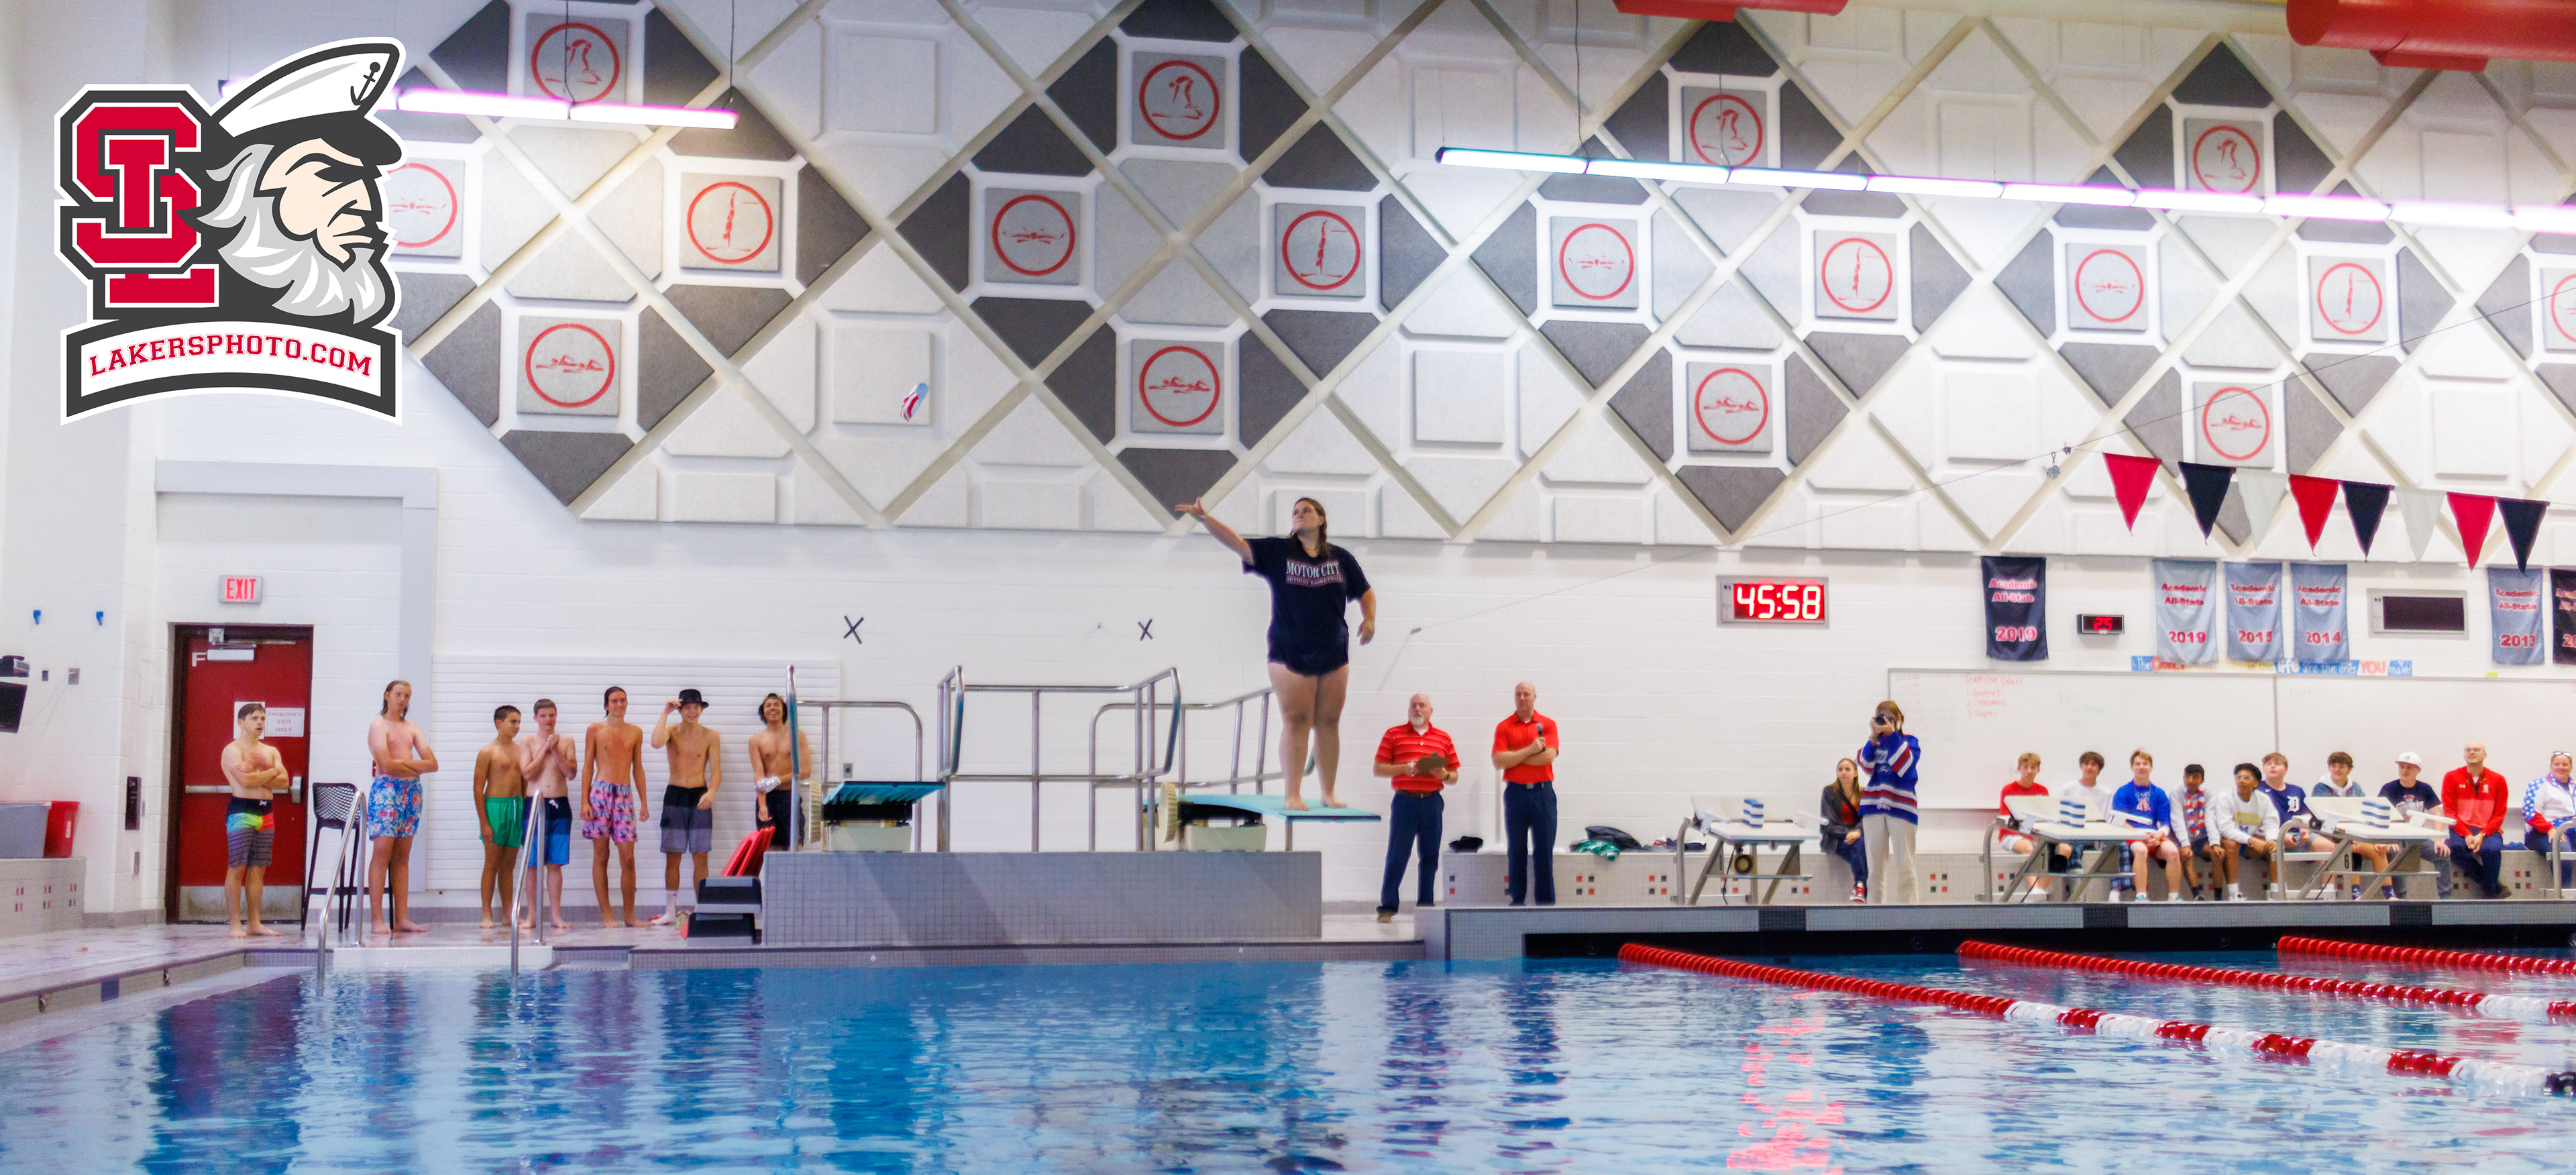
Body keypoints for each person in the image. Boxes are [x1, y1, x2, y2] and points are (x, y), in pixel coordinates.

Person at [1176, 496, 1376, 810]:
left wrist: (1370, 618)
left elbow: (1365, 591)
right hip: (1289, 649)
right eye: (1295, 512)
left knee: (1329, 722)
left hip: (1333, 650)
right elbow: (1239, 544)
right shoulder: (1279, 552)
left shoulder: (1340, 558)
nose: (1299, 514)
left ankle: (1328, 792)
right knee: (1297, 720)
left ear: (1321, 519)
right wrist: (1205, 519)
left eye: (1306, 510)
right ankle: (1292, 794)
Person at [1373, 693, 1459, 923]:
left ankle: (1426, 906)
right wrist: (1404, 769)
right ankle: (1388, 908)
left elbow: (1454, 776)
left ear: (1431, 711)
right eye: (1414, 705)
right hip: (1405, 801)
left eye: (1422, 706)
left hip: (1432, 802)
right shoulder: (1393, 734)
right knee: (1397, 855)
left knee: (1430, 856)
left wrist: (1445, 774)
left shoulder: (1443, 738)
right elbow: (1379, 768)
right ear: (1408, 709)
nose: (1417, 709)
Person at [365, 680, 438, 935]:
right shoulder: (379, 726)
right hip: (387, 791)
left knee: (402, 857)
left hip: (411, 793)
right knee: (382, 853)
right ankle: (377, 919)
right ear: (387, 695)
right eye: (398, 694)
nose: (403, 699)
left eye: (407, 696)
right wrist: (414, 767)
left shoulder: (412, 728)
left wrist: (404, 766)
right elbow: (386, 765)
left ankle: (402, 918)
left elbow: (433, 764)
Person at [649, 689, 722, 928]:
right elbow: (655, 743)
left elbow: (717, 770)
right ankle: (670, 911)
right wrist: (665, 712)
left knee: (701, 854)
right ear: (680, 710)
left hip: (699, 795)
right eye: (687, 707)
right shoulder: (671, 732)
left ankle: (702, 909)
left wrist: (712, 792)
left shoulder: (711, 736)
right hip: (676, 794)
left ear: (702, 709)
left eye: (696, 707)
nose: (692, 712)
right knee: (673, 855)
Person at [218, 702, 290, 938]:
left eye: (263, 718)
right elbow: (245, 782)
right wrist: (271, 772)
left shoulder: (271, 751)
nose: (260, 723)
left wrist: (259, 771)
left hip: (265, 812)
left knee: (258, 869)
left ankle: (255, 923)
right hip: (242, 811)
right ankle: (235, 924)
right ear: (241, 722)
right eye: (254, 718)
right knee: (237, 867)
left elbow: (285, 782)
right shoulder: (232, 750)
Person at [582, 686, 650, 928]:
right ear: (606, 705)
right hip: (600, 794)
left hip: (624, 795)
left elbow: (638, 767)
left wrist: (644, 801)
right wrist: (584, 801)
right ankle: (607, 915)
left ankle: (629, 915)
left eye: (623, 700)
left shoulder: (635, 732)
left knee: (628, 858)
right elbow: (588, 766)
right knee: (601, 856)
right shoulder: (595, 730)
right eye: (614, 701)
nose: (619, 705)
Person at [1493, 681, 1559, 907]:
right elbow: (1498, 761)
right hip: (1516, 795)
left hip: (1543, 794)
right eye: (1518, 694)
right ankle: (1517, 901)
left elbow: (1548, 757)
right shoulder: (1504, 727)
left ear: (1534, 697)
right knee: (1516, 849)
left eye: (1526, 694)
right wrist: (1531, 750)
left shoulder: (1547, 725)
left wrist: (1515, 758)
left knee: (1544, 850)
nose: (1522, 698)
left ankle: (1545, 903)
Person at [518, 699, 577, 932]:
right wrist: (545, 748)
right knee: (533, 864)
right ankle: (532, 916)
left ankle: (555, 916)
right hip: (535, 804)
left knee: (555, 864)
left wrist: (555, 750)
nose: (548, 720)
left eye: (552, 715)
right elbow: (528, 774)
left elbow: (571, 773)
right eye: (543, 716)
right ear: (535, 718)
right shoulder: (527, 742)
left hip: (559, 804)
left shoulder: (567, 741)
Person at [472, 706, 531, 930]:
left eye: (519, 722)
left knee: (509, 866)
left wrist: (524, 815)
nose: (517, 727)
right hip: (495, 808)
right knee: (491, 864)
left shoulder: (520, 751)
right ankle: (486, 914)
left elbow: (525, 785)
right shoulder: (487, 752)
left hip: (516, 807)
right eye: (513, 722)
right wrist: (484, 822)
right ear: (499, 723)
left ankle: (508, 913)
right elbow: (478, 789)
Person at [1856, 701, 1920, 904]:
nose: (1883, 722)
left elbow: (1904, 767)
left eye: (1888, 718)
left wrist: (1892, 736)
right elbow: (1866, 766)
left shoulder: (1910, 742)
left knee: (1905, 868)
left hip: (1902, 808)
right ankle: (1875, 916)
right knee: (1874, 871)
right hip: (1873, 807)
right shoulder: (1875, 744)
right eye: (1879, 718)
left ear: (1898, 719)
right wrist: (1873, 738)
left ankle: (1909, 916)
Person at [2309, 750, 2395, 899]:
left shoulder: (2356, 788)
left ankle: (2389, 893)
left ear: (2349, 769)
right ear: (2329, 768)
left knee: (2379, 850)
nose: (2337, 770)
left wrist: (2368, 838)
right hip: (2329, 836)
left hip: (2353, 835)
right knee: (2349, 849)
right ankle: (2355, 893)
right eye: (2334, 766)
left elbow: (2362, 815)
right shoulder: (2321, 788)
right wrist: (2346, 837)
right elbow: (2323, 819)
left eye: (2342, 767)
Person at [2111, 750, 2187, 902]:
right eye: (2138, 764)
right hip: (2132, 835)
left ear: (2151, 767)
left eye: (2145, 764)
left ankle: (2174, 896)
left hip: (2153, 836)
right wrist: (2139, 836)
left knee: (2173, 851)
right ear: (2132, 767)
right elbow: (2120, 821)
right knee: (2140, 850)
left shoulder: (2159, 793)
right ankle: (2141, 896)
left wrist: (2160, 835)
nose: (2141, 767)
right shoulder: (2123, 792)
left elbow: (2165, 822)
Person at [2380, 751, 2451, 897]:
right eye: (2402, 767)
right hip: (2396, 838)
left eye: (2409, 768)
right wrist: (2388, 841)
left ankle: (2446, 899)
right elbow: (2380, 815)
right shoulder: (2389, 789)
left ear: (2418, 770)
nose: (2404, 771)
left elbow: (2436, 815)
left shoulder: (2425, 789)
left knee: (2442, 854)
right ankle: (2401, 899)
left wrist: (2439, 841)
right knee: (2394, 853)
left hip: (2419, 838)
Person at [2443, 742, 2509, 899]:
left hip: (2488, 830)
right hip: (2461, 828)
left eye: (2477, 750)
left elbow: (2499, 814)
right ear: (2464, 755)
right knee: (2454, 849)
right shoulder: (2451, 777)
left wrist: (2483, 834)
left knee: (2491, 851)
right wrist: (2466, 834)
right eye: (2468, 750)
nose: (2472, 752)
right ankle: (2491, 886)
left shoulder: (2498, 779)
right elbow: (2450, 812)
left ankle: (2489, 895)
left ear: (2485, 755)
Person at [747, 693, 814, 848]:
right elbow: (759, 774)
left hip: (789, 796)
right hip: (768, 798)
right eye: (768, 705)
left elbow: (805, 771)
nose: (773, 708)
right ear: (763, 712)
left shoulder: (797, 736)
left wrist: (779, 780)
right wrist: (762, 805)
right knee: (768, 846)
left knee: (795, 845)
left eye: (777, 705)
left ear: (784, 710)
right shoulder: (755, 741)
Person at [2208, 762, 2280, 900]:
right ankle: (2234, 893)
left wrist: (2271, 839)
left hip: (2249, 843)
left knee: (2275, 847)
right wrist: (2251, 840)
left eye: (2247, 778)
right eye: (2238, 777)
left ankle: (2277, 893)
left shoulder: (2264, 800)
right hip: (2230, 842)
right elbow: (2225, 829)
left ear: (2256, 783)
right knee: (2230, 844)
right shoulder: (2225, 797)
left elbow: (2271, 822)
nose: (2241, 781)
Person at [2049, 750, 2115, 885]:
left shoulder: (2106, 794)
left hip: (2096, 836)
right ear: (2081, 767)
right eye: (2086, 764)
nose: (2089, 767)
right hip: (2072, 833)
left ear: (2099, 769)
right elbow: (2058, 813)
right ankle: (2076, 879)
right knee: (2076, 840)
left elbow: (2107, 820)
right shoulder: (2068, 789)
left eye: (2093, 765)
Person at [2525, 752, 2576, 892]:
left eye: (2565, 764)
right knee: (2563, 852)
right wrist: (2550, 829)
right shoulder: (2539, 785)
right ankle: (2564, 895)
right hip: (2543, 832)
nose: (2561, 767)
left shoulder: (2574, 786)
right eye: (2557, 764)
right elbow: (2530, 813)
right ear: (2551, 766)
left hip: (2571, 830)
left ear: (2571, 767)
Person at [1821, 758, 1868, 903]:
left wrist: (1858, 832)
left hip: (1858, 838)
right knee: (1862, 852)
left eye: (1847, 769)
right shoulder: (1829, 792)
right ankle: (1861, 886)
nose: (1843, 773)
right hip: (1837, 839)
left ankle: (1859, 886)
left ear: (1855, 773)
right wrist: (1849, 834)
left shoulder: (1864, 794)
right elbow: (1829, 822)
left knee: (1860, 844)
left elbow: (1867, 819)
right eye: (1840, 770)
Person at [1996, 752, 2050, 856]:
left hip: (2037, 835)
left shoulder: (2043, 790)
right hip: (2012, 835)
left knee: (2064, 848)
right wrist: (2029, 836)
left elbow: (2045, 818)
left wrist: (2038, 836)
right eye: (2025, 767)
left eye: (2033, 768)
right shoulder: (2008, 790)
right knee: (2028, 848)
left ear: (2038, 770)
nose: (2029, 771)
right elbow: (2006, 820)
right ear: (2019, 769)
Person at [2179, 764, 2218, 900]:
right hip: (2182, 837)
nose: (2190, 781)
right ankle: (2197, 895)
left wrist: (2215, 843)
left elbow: (2209, 819)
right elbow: (2177, 820)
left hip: (2201, 837)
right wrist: (2185, 844)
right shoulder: (2177, 792)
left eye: (2195, 777)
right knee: (2186, 855)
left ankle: (2219, 897)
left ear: (2202, 780)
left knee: (2217, 854)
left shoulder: (2207, 794)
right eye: (2187, 777)